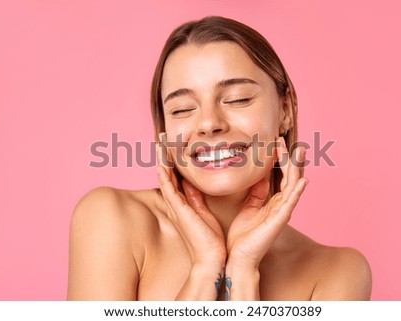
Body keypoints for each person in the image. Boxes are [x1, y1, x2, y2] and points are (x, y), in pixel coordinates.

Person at [67, 16, 372, 301]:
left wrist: (242, 270)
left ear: (286, 111)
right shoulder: (112, 218)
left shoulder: (337, 272)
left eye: (238, 99)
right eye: (182, 109)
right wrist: (206, 267)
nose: (208, 123)